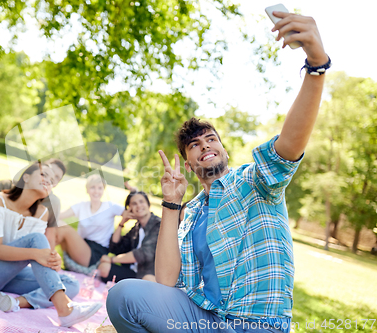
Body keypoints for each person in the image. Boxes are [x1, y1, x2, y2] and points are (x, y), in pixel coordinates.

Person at [107, 11, 330, 333]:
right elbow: (167, 280)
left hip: (254, 325)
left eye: (211, 139)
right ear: (188, 164)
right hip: (203, 318)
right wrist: (171, 204)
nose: (205, 145)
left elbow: (291, 142)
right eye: (195, 145)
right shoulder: (193, 211)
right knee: (123, 295)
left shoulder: (256, 181)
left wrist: (316, 67)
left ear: (223, 150)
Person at [0, 162, 101, 327]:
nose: (48, 180)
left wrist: (51, 258)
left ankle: (15, 303)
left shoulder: (42, 213)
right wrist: (37, 254)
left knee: (70, 284)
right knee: (36, 240)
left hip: (9, 275)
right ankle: (65, 309)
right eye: (44, 175)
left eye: (52, 180)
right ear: (25, 177)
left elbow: (40, 254)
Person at [56, 174, 127, 271]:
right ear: (87, 189)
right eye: (93, 187)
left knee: (64, 228)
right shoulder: (81, 206)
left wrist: (121, 224)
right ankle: (47, 255)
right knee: (57, 224)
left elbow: (131, 213)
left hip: (96, 253)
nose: (96, 191)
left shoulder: (110, 206)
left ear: (103, 190)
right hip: (80, 246)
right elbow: (59, 216)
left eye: (100, 188)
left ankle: (46, 256)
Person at [97, 191, 160, 283]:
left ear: (148, 204)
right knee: (103, 267)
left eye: (141, 202)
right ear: (129, 209)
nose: (138, 206)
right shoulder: (137, 228)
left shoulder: (159, 225)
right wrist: (122, 223)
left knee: (147, 280)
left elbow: (143, 254)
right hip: (133, 272)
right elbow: (115, 248)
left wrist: (112, 260)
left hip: (148, 275)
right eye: (134, 204)